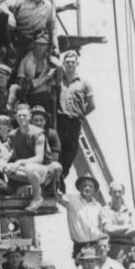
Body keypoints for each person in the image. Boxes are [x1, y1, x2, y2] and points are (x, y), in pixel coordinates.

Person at [0, 0, 59, 67]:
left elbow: (52, 27)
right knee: (3, 59)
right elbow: (3, 5)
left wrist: (55, 46)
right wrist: (10, 15)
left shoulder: (49, 6)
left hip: (31, 41)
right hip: (13, 36)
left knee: (22, 65)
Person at [56, 50, 95, 189]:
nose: (70, 64)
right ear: (63, 64)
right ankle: (57, 180)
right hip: (60, 121)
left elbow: (91, 105)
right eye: (68, 62)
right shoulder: (58, 81)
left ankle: (61, 176)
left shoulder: (84, 83)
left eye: (73, 62)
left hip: (73, 123)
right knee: (57, 151)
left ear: (77, 64)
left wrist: (80, 114)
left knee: (70, 153)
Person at [3, 103, 50, 213]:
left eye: (24, 115)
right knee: (7, 168)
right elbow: (10, 153)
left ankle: (37, 197)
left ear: (30, 117)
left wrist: (20, 162)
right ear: (16, 118)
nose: (22, 118)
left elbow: (39, 158)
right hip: (26, 172)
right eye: (19, 116)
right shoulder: (13, 134)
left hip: (43, 170)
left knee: (29, 168)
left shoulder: (38, 133)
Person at [58, 175, 105, 257]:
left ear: (94, 189)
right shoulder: (71, 200)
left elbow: (103, 226)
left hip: (96, 246)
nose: (87, 188)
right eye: (84, 186)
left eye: (90, 186)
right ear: (79, 188)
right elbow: (56, 196)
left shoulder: (98, 206)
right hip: (80, 247)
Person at [101, 181, 135, 262]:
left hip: (130, 249)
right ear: (110, 193)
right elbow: (107, 229)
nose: (117, 194)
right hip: (113, 250)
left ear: (123, 193)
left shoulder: (130, 210)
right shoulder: (105, 210)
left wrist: (115, 232)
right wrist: (127, 227)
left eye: (119, 192)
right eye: (114, 192)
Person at [30, 105, 63, 187]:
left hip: (46, 167)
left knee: (56, 166)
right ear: (31, 121)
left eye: (41, 120)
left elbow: (55, 157)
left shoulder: (52, 134)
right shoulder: (26, 134)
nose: (38, 123)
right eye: (36, 120)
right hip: (30, 166)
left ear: (45, 121)